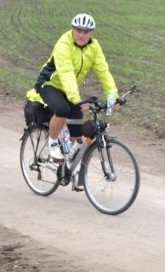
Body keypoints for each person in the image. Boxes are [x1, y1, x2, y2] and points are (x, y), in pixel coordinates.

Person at [26, 13, 118, 163]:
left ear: (91, 33)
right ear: (72, 29)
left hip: (69, 90)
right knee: (62, 110)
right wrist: (77, 100)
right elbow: (66, 73)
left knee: (76, 130)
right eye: (78, 30)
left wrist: (113, 95)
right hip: (49, 84)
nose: (81, 35)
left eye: (86, 32)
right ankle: (53, 143)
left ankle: (68, 167)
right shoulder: (63, 44)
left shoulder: (94, 47)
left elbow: (103, 71)